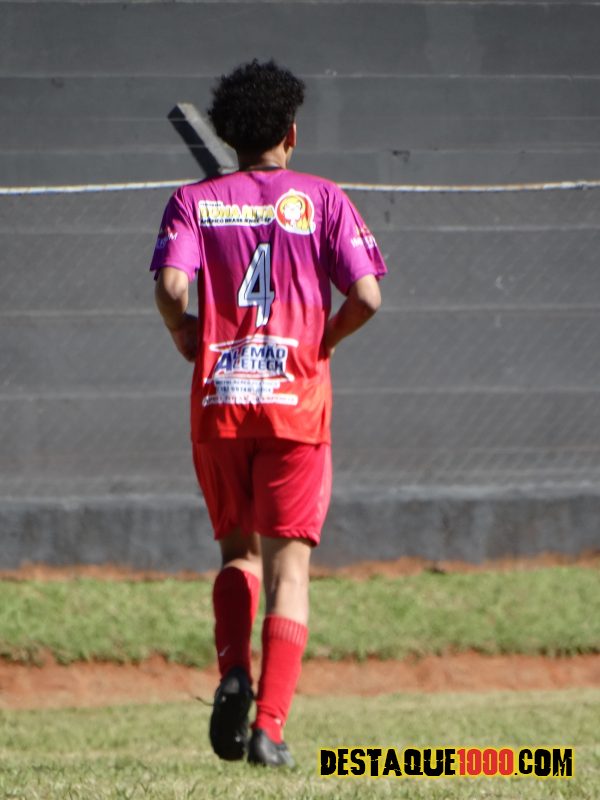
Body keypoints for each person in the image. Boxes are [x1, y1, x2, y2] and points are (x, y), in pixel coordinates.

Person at [150, 59, 387, 767]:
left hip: (221, 401)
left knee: (238, 554)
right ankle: (270, 729)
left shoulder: (193, 201)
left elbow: (171, 286)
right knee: (290, 571)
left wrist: (183, 330)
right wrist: (325, 340)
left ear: (229, 136)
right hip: (295, 405)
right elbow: (367, 296)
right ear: (291, 132)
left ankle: (234, 672)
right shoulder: (323, 198)